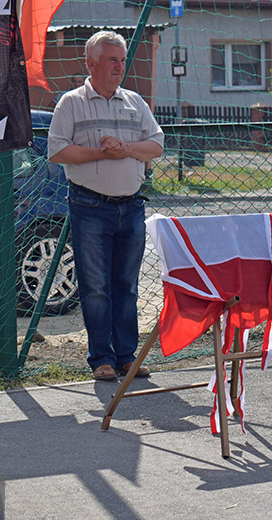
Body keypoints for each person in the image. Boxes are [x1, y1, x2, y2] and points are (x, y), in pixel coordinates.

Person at [48, 30, 164, 381]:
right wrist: (103, 152)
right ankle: (101, 358)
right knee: (96, 287)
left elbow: (156, 145)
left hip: (131, 207)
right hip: (90, 206)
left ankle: (126, 356)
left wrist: (126, 148)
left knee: (125, 285)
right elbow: (57, 150)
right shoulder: (71, 103)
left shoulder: (134, 103)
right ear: (91, 63)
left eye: (122, 59)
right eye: (112, 60)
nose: (119, 66)